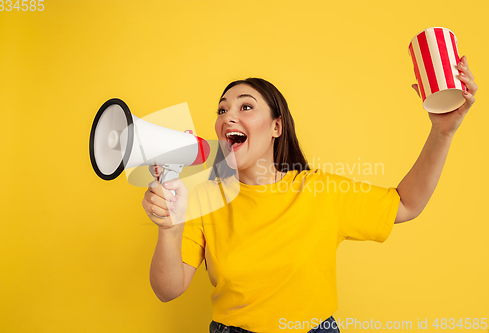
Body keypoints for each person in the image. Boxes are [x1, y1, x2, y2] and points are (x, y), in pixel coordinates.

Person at [143, 57, 477, 333]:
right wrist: (168, 229)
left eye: (246, 107)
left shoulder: (320, 191)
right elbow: (167, 290)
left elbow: (407, 203)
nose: (228, 116)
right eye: (221, 110)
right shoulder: (204, 198)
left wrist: (442, 131)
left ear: (277, 127)